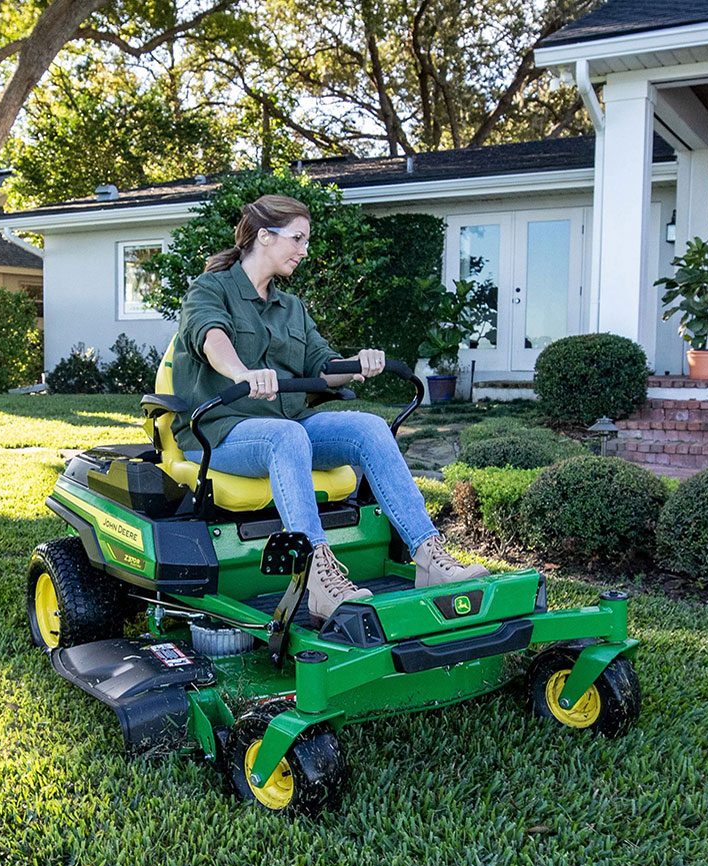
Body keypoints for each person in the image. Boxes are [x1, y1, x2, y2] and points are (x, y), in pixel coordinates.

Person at [172, 193, 487, 622]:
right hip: (220, 432)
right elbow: (211, 338)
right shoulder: (210, 289)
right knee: (287, 436)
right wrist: (242, 373)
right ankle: (318, 578)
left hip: (287, 426)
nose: (305, 250)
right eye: (298, 239)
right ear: (264, 236)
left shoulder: (292, 308)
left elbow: (323, 366)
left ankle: (430, 557)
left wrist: (358, 364)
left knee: (369, 428)